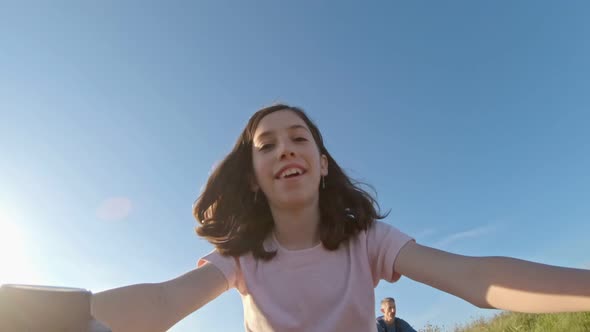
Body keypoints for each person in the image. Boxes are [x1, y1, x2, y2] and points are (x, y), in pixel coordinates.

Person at [90, 104, 590, 332]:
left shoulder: (368, 240)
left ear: (322, 165)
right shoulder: (240, 260)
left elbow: (474, 277)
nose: (285, 148)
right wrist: (50, 315)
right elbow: (161, 302)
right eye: (267, 145)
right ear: (252, 179)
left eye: (299, 138)